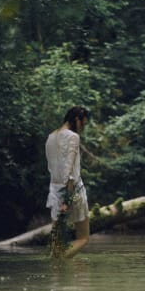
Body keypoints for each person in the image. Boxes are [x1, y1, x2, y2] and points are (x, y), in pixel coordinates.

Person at [45, 106, 90, 258]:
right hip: (72, 191)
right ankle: (60, 261)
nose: (82, 128)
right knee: (83, 238)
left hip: (54, 190)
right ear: (76, 120)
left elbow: (52, 168)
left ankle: (56, 274)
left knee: (55, 243)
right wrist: (67, 198)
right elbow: (69, 172)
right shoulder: (73, 137)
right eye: (83, 124)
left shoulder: (51, 136)